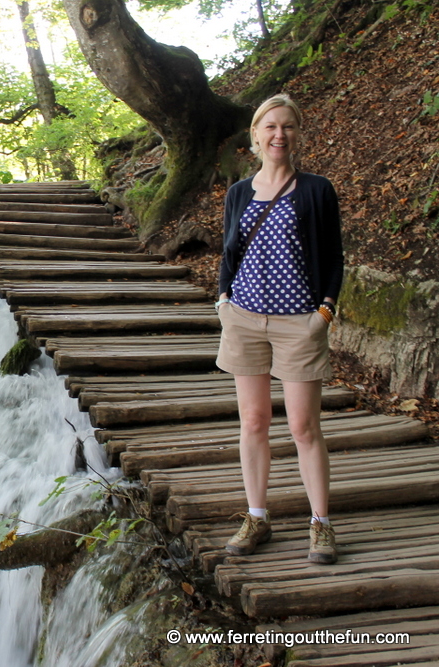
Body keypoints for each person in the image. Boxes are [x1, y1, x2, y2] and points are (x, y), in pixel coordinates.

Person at [215, 93, 344, 564]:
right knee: (253, 422)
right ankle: (256, 516)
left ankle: (321, 524)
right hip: (244, 319)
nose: (278, 135)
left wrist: (324, 313)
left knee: (304, 426)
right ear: (255, 135)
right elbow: (229, 255)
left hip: (299, 324)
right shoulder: (239, 193)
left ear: (298, 134)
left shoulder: (316, 190)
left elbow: (333, 257)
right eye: (270, 127)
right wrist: (223, 302)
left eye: (287, 126)